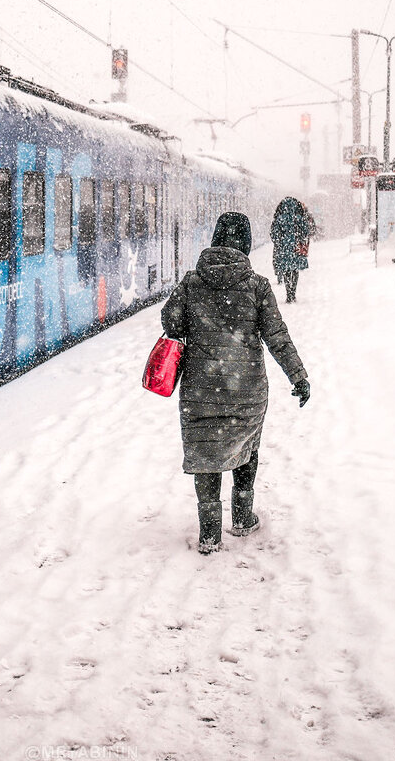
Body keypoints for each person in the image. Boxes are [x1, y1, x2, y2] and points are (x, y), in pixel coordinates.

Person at [162, 212, 311, 554]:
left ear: (215, 240)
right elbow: (277, 337)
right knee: (246, 447)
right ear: (244, 243)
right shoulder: (256, 285)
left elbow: (171, 324)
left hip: (202, 387)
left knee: (206, 453)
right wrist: (298, 375)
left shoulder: (191, 282)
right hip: (246, 388)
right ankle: (243, 518)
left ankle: (210, 533)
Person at [270, 197, 315, 304]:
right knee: (295, 271)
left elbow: (273, 234)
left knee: (286, 271)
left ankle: (288, 293)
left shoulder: (279, 218)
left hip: (283, 249)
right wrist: (298, 239)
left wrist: (281, 242)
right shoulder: (299, 217)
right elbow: (305, 232)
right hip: (296, 248)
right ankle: (293, 293)